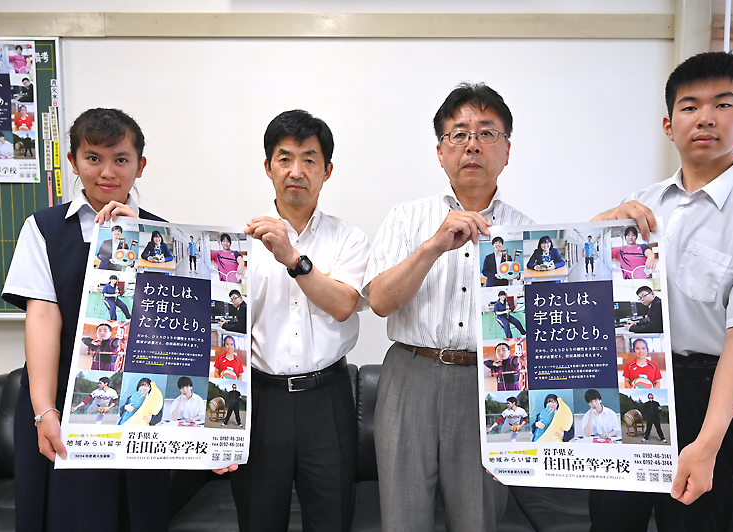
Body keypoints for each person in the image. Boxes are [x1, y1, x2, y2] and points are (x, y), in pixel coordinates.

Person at [590, 52, 733, 532]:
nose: (705, 118)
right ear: (669, 125)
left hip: (708, 393)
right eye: (690, 106)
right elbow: (591, 298)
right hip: (630, 381)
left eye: (722, 104)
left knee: (694, 523)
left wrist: (706, 443)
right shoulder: (641, 204)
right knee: (611, 522)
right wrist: (598, 227)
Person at [364, 83, 533, 531]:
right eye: (459, 134)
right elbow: (379, 302)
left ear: (507, 151)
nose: (472, 145)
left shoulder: (527, 233)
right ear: (440, 152)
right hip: (410, 374)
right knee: (402, 517)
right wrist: (433, 246)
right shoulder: (406, 218)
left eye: (487, 133)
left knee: (478, 517)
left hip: (490, 382)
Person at [1, 107, 170, 531]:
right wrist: (45, 410)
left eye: (121, 159)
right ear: (74, 162)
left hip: (135, 401)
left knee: (138, 515)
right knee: (70, 516)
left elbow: (170, 326)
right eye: (94, 158)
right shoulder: (43, 228)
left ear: (140, 166)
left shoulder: (164, 234)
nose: (107, 172)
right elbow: (42, 317)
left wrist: (141, 241)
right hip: (62, 398)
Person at [217, 109, 369, 532]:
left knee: (332, 520)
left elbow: (343, 304)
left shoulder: (349, 238)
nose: (296, 171)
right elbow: (220, 329)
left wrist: (291, 257)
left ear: (327, 170)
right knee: (258, 520)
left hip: (328, 398)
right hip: (260, 399)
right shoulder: (236, 246)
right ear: (268, 168)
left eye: (309, 159)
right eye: (284, 159)